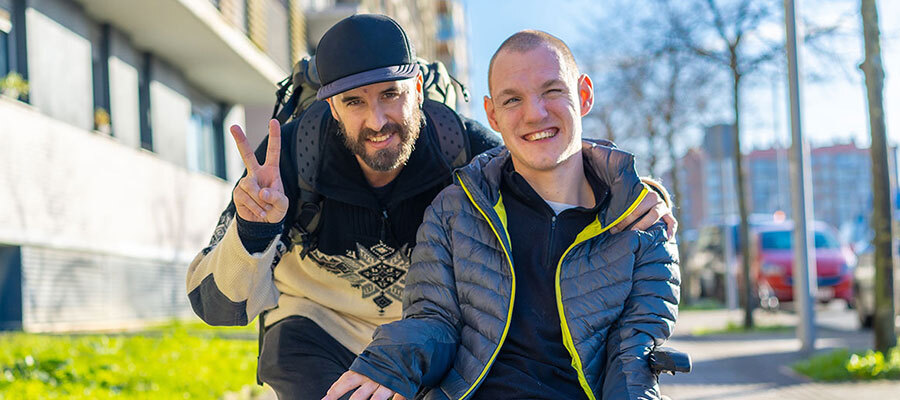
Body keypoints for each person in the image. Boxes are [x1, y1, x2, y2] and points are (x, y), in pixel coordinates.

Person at [186, 15, 674, 400]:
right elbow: (217, 307)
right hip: (316, 332)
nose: (377, 120)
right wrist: (253, 231)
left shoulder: (462, 148)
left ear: (417, 89)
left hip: (427, 338)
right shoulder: (287, 160)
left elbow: (543, 149)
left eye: (391, 95)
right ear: (331, 107)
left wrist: (636, 190)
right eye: (354, 102)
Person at [324, 30, 680, 400]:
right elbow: (433, 321)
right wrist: (390, 362)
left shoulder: (643, 224)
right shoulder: (455, 210)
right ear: (492, 114)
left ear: (584, 94)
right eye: (513, 99)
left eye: (552, 91)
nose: (535, 113)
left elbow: (632, 356)